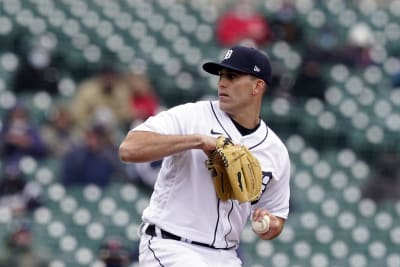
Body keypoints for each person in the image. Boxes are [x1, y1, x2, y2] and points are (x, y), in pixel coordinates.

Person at [119, 45, 291, 266]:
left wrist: (269, 223)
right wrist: (196, 141)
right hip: (172, 247)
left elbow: (276, 215)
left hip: (226, 256)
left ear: (257, 86)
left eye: (232, 76)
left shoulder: (274, 150)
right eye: (221, 75)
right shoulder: (192, 116)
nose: (222, 82)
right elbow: (129, 149)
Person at [60, 123, 125, 188]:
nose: (93, 141)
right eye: (91, 137)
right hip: (80, 191)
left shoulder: (110, 156)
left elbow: (119, 177)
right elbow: (67, 180)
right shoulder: (77, 156)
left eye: (98, 137)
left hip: (104, 192)